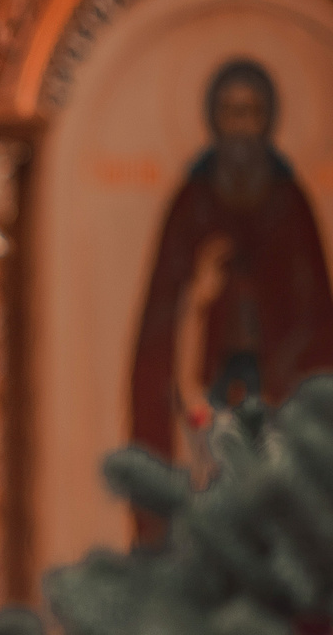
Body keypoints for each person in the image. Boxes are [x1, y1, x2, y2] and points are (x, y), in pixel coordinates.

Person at [127, 58, 333, 519]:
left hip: (279, 387)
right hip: (220, 381)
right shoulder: (192, 206)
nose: (241, 126)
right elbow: (171, 349)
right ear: (214, 120)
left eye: (251, 112)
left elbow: (318, 319)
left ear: (268, 120)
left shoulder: (291, 205)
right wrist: (199, 301)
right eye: (230, 112)